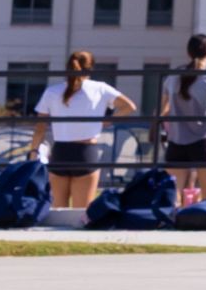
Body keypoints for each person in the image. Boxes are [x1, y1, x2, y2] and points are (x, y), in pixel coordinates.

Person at [33, 51, 136, 218]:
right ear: (90, 68)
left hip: (60, 152)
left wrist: (33, 150)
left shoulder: (52, 91)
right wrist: (107, 120)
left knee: (58, 213)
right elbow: (129, 106)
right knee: (82, 214)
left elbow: (40, 127)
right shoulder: (100, 88)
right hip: (86, 152)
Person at [159, 38, 206, 206]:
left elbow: (161, 111)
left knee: (171, 200)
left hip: (176, 141)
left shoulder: (173, 77)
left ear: (188, 53)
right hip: (205, 141)